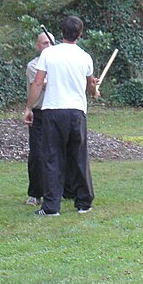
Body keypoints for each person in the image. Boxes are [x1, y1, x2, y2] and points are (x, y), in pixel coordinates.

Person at [23, 16, 100, 216]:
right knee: (78, 157)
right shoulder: (85, 57)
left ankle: (51, 207)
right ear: (80, 34)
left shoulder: (49, 54)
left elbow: (38, 83)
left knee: (52, 158)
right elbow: (90, 85)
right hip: (76, 112)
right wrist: (94, 90)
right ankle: (83, 203)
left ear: (62, 32)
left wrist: (29, 108)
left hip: (53, 112)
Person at [25, 30, 54, 206]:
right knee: (37, 154)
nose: (48, 46)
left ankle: (63, 190)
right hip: (38, 113)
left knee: (59, 153)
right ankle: (35, 194)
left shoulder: (60, 64)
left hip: (56, 112)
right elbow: (41, 84)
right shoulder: (33, 65)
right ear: (38, 46)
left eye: (50, 42)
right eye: (44, 43)